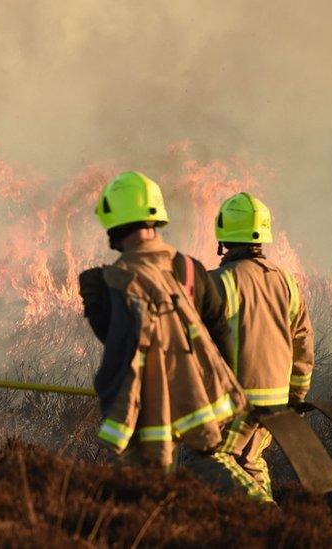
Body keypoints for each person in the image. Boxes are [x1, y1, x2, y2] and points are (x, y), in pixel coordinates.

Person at [78, 171, 270, 502]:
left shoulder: (113, 280)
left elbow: (116, 343)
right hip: (202, 401)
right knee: (216, 471)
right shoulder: (191, 270)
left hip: (148, 405)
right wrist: (226, 386)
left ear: (113, 223)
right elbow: (219, 329)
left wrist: (96, 302)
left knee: (147, 487)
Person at [210, 192, 315, 499]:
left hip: (236, 405)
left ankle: (263, 513)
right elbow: (303, 344)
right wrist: (295, 397)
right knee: (249, 461)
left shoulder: (220, 282)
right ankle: (269, 531)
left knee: (208, 456)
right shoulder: (287, 283)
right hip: (277, 405)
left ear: (223, 235)